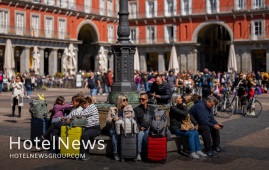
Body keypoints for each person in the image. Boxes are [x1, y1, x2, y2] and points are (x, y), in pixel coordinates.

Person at [169, 95, 207, 159]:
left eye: (181, 98)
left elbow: (189, 115)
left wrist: (195, 123)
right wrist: (185, 107)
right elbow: (185, 114)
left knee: (196, 132)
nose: (181, 99)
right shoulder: (173, 108)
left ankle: (198, 150)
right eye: (179, 98)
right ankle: (192, 152)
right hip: (176, 128)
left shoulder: (180, 107)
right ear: (175, 100)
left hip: (184, 127)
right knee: (191, 134)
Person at [106, 94, 130, 161]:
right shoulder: (112, 109)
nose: (126, 101)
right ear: (119, 101)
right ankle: (116, 153)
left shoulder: (128, 109)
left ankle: (125, 153)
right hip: (114, 127)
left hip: (124, 127)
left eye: (126, 100)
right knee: (114, 134)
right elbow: (107, 119)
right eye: (124, 100)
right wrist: (113, 119)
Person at [134, 93, 155, 161]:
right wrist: (140, 127)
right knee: (140, 135)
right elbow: (135, 121)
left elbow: (155, 119)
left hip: (150, 128)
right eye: (140, 99)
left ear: (147, 100)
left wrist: (151, 127)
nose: (141, 100)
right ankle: (139, 153)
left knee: (147, 136)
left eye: (142, 99)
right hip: (140, 129)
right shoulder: (136, 109)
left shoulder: (152, 108)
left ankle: (147, 153)